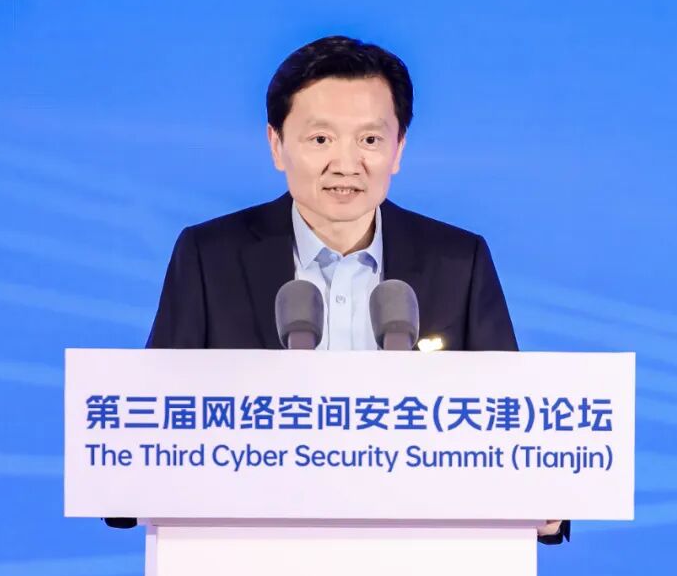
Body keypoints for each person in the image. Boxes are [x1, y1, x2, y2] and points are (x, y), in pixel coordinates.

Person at [110, 35, 569, 544]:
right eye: (321, 139)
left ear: (399, 149)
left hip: (421, 559)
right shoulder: (209, 256)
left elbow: (512, 430)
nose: (346, 164)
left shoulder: (459, 261)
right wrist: (131, 488)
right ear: (276, 144)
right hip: (247, 556)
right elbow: (147, 432)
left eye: (369, 140)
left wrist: (541, 501)